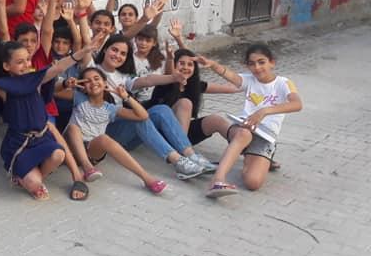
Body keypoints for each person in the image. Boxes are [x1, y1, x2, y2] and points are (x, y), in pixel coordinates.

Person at [0, 39, 99, 201]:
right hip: (20, 143)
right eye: (20, 62)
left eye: (27, 60)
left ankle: (32, 176)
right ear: (7, 66)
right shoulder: (5, 87)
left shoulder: (36, 79)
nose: (26, 64)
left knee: (58, 155)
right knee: (34, 184)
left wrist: (84, 51)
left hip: (42, 138)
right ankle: (30, 179)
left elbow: (58, 67)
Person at [80, 34, 215, 180]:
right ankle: (179, 163)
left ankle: (190, 155)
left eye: (123, 53)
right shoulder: (92, 69)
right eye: (114, 50)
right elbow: (85, 50)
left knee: (161, 110)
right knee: (139, 117)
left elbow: (147, 80)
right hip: (107, 133)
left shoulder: (123, 77)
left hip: (125, 133)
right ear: (105, 49)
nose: (118, 55)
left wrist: (173, 77)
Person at [196, 44, 302, 197]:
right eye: (251, 64)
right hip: (243, 130)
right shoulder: (249, 80)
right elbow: (229, 75)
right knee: (243, 134)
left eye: (261, 62)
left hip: (265, 137)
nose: (257, 67)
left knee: (252, 183)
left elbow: (297, 104)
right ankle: (217, 181)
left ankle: (257, 157)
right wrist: (212, 64)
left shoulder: (283, 83)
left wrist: (264, 111)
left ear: (272, 62)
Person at [62, 67, 169, 195]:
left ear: (105, 83)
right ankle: (87, 168)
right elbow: (53, 91)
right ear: (83, 86)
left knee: (104, 139)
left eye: (97, 79)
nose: (93, 83)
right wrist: (66, 84)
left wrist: (125, 97)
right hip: (70, 150)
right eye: (87, 81)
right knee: (73, 128)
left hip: (92, 151)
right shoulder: (78, 97)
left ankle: (147, 179)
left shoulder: (111, 108)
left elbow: (143, 116)